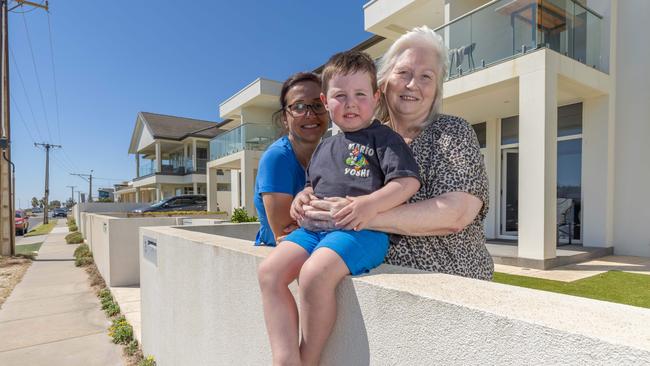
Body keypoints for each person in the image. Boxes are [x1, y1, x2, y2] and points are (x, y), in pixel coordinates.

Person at [257, 51, 421, 366]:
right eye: (340, 96)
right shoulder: (325, 146)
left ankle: (309, 358)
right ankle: (285, 357)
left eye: (360, 94)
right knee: (269, 272)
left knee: (314, 275)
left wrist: (369, 204)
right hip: (313, 231)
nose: (350, 103)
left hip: (361, 232)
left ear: (375, 97)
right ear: (326, 100)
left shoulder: (385, 140)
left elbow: (407, 183)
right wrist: (301, 198)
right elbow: (311, 187)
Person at [295, 25, 494, 281]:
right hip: (384, 283)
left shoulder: (452, 132)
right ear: (384, 81)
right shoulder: (365, 139)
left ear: (436, 90)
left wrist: (357, 215)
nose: (412, 84)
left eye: (426, 77)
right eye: (404, 72)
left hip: (451, 284)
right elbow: (333, 188)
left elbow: (455, 213)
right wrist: (309, 198)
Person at [253, 72, 329, 246]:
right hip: (283, 259)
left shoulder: (329, 153)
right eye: (299, 107)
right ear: (285, 119)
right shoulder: (277, 158)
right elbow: (285, 233)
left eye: (318, 105)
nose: (310, 114)